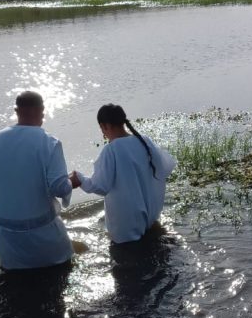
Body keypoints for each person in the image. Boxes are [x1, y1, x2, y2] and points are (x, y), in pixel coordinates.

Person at [0, 90, 74, 270]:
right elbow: (59, 187)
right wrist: (72, 182)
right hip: (46, 240)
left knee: (15, 288)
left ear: (17, 112)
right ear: (41, 111)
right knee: (59, 286)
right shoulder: (49, 142)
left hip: (9, 244)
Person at [70, 103, 176, 243]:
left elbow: (100, 186)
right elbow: (166, 166)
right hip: (150, 215)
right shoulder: (144, 141)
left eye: (102, 129)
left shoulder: (111, 149)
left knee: (127, 259)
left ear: (104, 126)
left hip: (126, 224)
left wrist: (80, 179)